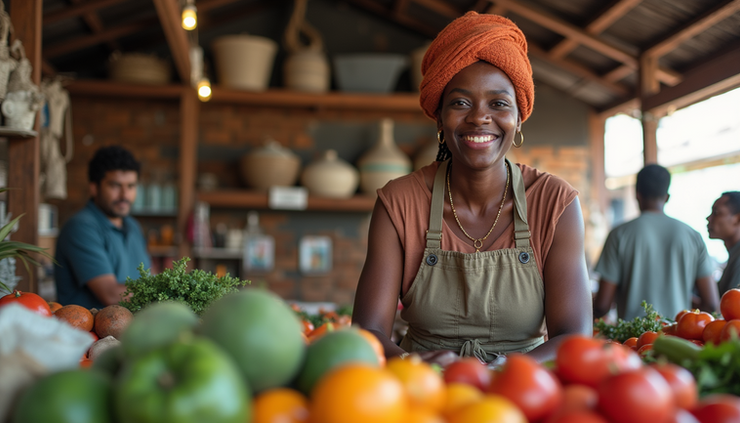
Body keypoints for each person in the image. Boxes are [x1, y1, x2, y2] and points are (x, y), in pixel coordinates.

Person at [352, 11, 593, 367]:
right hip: (423, 394)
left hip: (525, 391)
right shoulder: (399, 203)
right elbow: (368, 330)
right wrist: (417, 367)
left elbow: (573, 334)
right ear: (439, 118)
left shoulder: (555, 203)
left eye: (498, 103)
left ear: (519, 117)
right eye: (461, 103)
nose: (479, 117)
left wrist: (502, 371)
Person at [593, 164, 718, 321]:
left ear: (637, 195)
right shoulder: (692, 236)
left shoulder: (619, 234)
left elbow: (602, 305)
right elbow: (711, 304)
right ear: (667, 197)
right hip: (679, 338)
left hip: (633, 341)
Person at [55, 145, 150, 309]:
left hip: (130, 329)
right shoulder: (80, 227)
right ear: (94, 188)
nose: (124, 195)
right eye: (115, 185)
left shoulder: (133, 226)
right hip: (89, 332)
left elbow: (148, 278)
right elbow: (111, 295)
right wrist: (166, 291)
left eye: (131, 186)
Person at [708, 191, 740, 296]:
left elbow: (733, 308)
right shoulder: (734, 254)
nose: (708, 218)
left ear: (738, 219)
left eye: (716, 213)